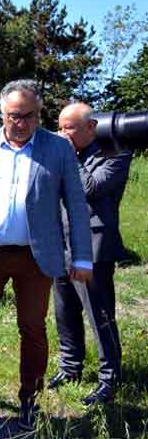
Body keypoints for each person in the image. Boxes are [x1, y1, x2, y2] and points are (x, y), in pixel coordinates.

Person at [0, 79, 92, 430]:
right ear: (2, 113)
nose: (22, 123)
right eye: (14, 115)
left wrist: (81, 257)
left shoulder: (58, 149)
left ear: (39, 114)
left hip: (36, 257)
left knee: (32, 328)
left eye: (30, 115)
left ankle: (30, 395)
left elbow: (76, 206)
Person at [49, 102, 131, 405]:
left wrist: (68, 157)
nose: (63, 134)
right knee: (65, 311)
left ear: (91, 127)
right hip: (61, 243)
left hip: (93, 248)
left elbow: (91, 188)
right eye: (60, 127)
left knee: (100, 315)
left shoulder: (116, 153)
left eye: (69, 128)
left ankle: (110, 378)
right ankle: (70, 367)